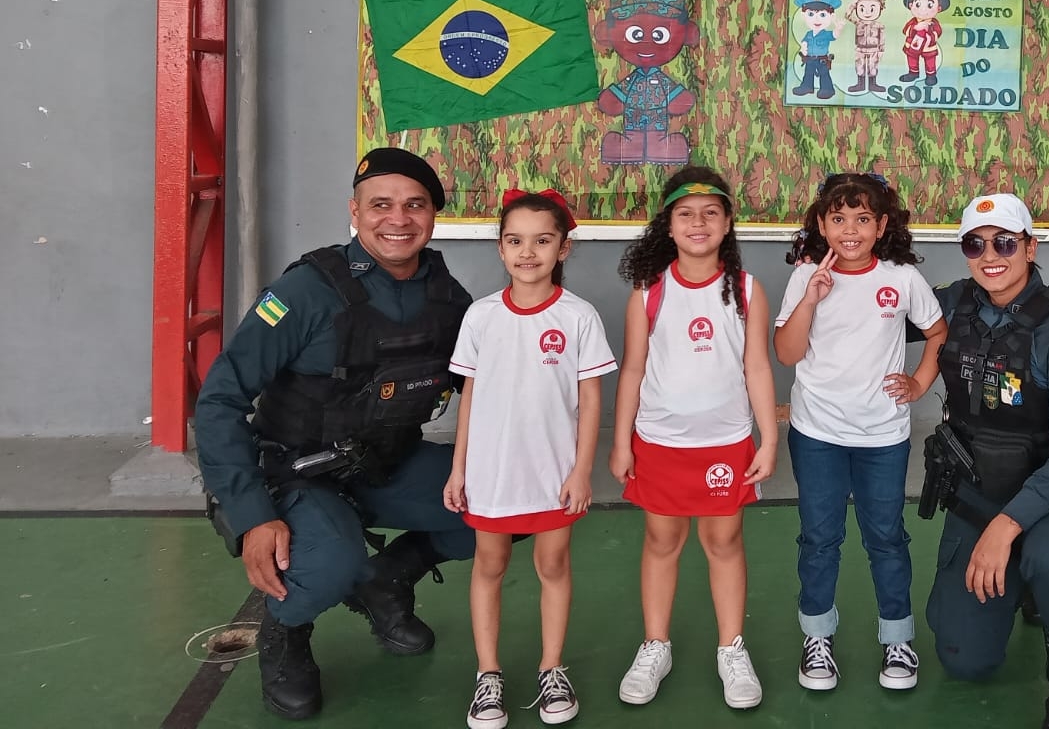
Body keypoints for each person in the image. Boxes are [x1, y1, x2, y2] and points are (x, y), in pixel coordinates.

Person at [195, 147, 476, 720]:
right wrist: (252, 514)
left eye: (414, 205)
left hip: (387, 465)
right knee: (330, 561)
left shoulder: (450, 300)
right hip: (298, 473)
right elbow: (220, 399)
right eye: (380, 205)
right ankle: (286, 628)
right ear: (354, 211)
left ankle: (385, 581)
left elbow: (485, 390)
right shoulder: (304, 292)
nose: (398, 219)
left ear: (433, 214)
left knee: (506, 505)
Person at [922, 193, 1049, 729]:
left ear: (1030, 247)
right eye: (975, 244)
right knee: (965, 658)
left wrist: (1006, 525)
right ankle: (1025, 580)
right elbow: (875, 305)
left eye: (1004, 242)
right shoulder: (951, 304)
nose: (990, 255)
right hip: (982, 487)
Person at [608, 167, 779, 710]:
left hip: (725, 443)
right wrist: (621, 442)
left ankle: (731, 648)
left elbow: (757, 367)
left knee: (724, 543)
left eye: (710, 213)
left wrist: (768, 439)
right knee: (662, 542)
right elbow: (633, 370)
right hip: (660, 443)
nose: (698, 223)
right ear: (669, 224)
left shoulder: (748, 290)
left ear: (727, 223)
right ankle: (655, 645)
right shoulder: (648, 291)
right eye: (685, 213)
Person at [444, 189, 616, 728]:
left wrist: (581, 470)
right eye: (515, 241)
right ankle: (488, 674)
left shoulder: (579, 316)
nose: (527, 252)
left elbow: (590, 401)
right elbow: (470, 397)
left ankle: (551, 668)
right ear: (500, 248)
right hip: (491, 471)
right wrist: (458, 467)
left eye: (542, 241)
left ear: (563, 248)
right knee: (489, 564)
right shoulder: (480, 316)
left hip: (552, 471)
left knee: (553, 565)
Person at [774, 172, 949, 692]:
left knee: (886, 538)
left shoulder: (903, 278)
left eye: (862, 218)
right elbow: (786, 353)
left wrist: (919, 383)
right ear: (822, 224)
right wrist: (811, 298)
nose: (850, 230)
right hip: (817, 433)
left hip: (882, 437)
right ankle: (817, 638)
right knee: (820, 537)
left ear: (882, 225)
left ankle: (897, 639)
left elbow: (938, 331)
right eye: (839, 218)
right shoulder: (806, 276)